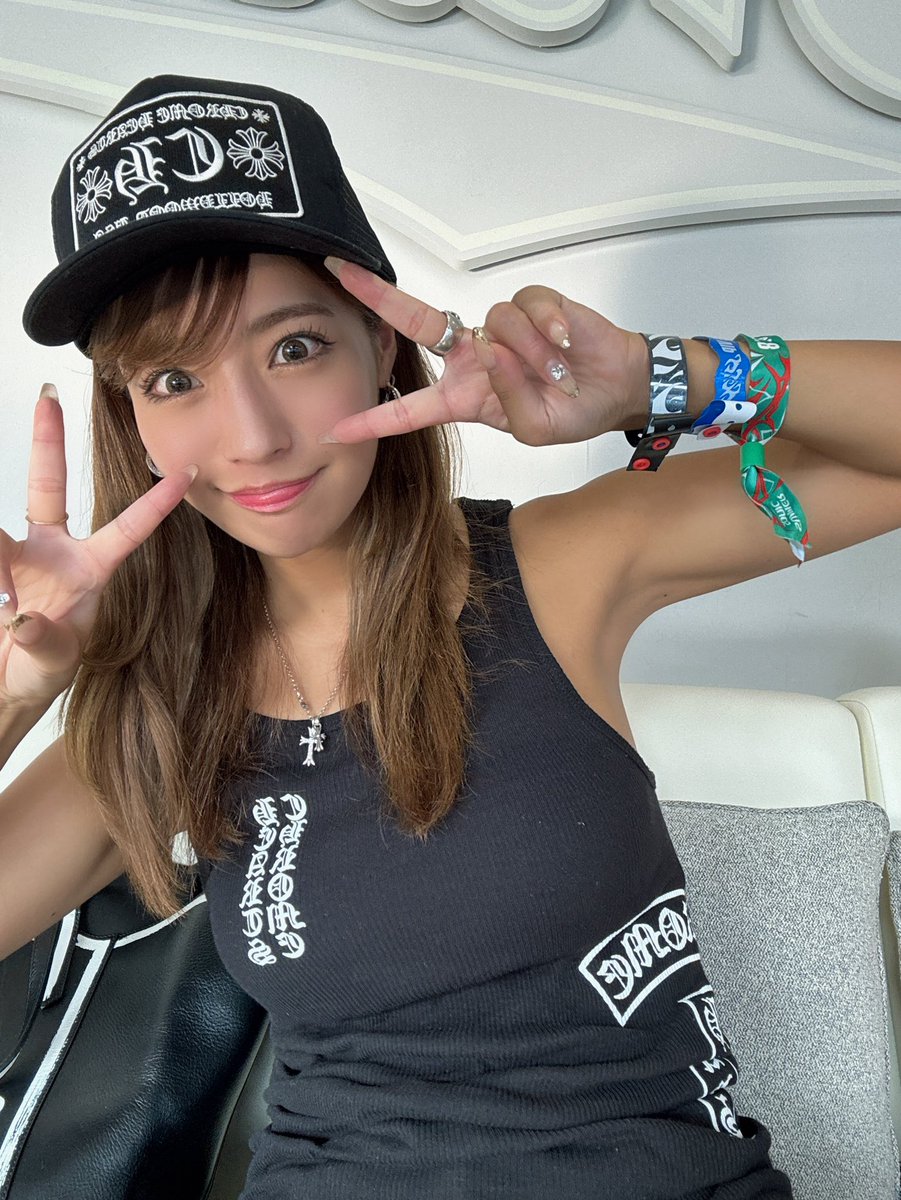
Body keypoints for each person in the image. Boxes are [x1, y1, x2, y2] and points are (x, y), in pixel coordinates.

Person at [2, 72, 900, 1200]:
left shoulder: (557, 568)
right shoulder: (159, 699)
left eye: (293, 348)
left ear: (381, 345)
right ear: (132, 418)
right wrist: (17, 695)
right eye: (176, 378)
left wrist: (652, 378)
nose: (254, 437)